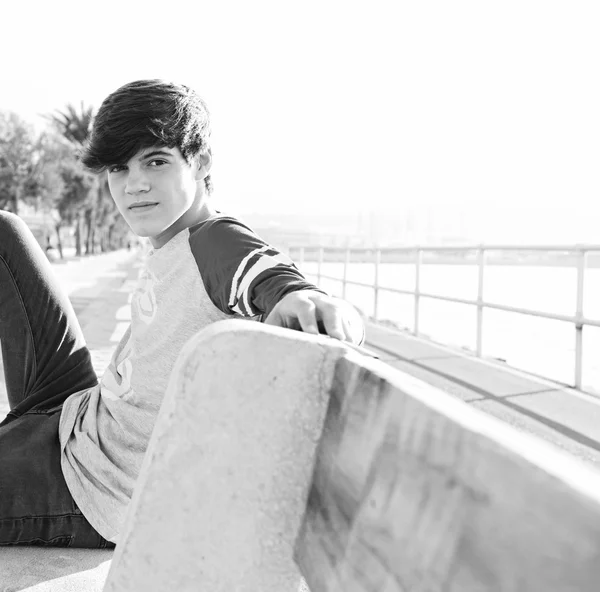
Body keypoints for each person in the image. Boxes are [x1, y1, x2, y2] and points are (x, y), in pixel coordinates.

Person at [0, 79, 364, 548]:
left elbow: (268, 276)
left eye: (156, 161)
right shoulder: (170, 242)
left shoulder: (214, 240)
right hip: (81, 410)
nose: (134, 185)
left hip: (91, 487)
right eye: (118, 167)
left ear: (202, 162)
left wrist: (306, 301)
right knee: (7, 232)